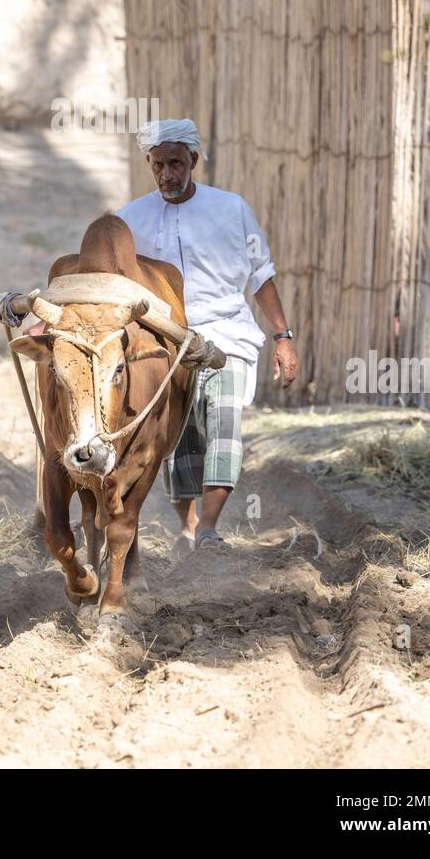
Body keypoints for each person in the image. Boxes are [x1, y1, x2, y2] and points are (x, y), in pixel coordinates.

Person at [114, 117, 299, 552]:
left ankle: (209, 528)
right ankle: (188, 524)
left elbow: (261, 276)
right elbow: (104, 275)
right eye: (158, 165)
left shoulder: (231, 209)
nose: (167, 174)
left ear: (193, 160)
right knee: (176, 439)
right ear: (149, 163)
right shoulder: (130, 218)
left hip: (226, 336)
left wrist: (283, 337)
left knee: (224, 424)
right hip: (164, 341)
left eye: (176, 163)